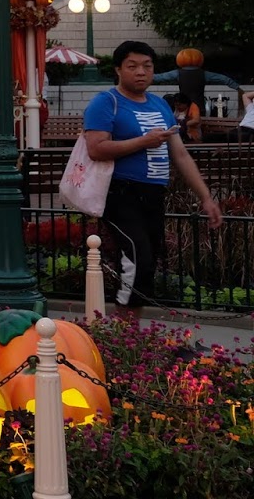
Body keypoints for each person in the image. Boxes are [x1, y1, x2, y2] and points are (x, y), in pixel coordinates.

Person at [84, 40, 223, 315]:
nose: (141, 72)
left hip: (154, 194)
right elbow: (96, 148)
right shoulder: (105, 102)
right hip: (120, 193)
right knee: (138, 260)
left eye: (147, 66)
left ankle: (130, 338)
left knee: (147, 263)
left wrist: (206, 198)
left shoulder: (160, 105)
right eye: (132, 66)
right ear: (118, 70)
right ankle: (121, 336)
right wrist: (143, 142)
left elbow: (181, 156)